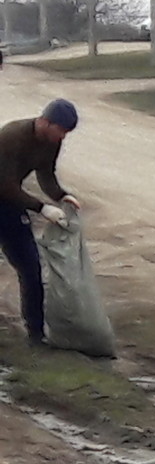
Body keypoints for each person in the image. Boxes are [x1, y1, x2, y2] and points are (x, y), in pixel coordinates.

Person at [0, 98, 81, 347]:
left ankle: (36, 334)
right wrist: (42, 207)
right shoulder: (11, 137)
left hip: (8, 204)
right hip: (4, 191)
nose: (63, 138)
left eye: (67, 133)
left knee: (31, 266)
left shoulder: (51, 142)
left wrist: (60, 195)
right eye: (61, 131)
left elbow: (46, 173)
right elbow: (5, 184)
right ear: (45, 122)